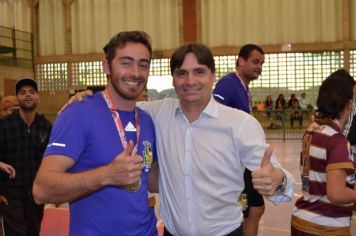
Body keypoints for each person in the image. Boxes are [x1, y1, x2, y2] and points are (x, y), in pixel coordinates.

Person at [66, 42, 295, 236]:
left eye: (199, 71)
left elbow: (282, 183)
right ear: (173, 79)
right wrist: (87, 98)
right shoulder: (155, 113)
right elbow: (115, 103)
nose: (190, 81)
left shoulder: (240, 124)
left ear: (212, 75)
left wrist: (277, 179)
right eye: (181, 73)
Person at [33, 31, 158, 236]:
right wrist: (107, 175)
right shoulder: (79, 112)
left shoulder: (146, 119)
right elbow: (41, 190)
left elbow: (150, 178)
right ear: (106, 66)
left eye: (143, 64)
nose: (136, 72)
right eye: (126, 63)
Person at [291, 69, 356, 236]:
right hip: (327, 225)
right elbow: (336, 194)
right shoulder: (337, 140)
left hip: (301, 218)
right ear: (349, 104)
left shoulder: (311, 130)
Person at [212, 44, 267, 236]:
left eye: (261, 63)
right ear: (241, 61)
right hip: (233, 163)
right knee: (248, 211)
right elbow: (213, 117)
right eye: (255, 61)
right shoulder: (228, 85)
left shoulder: (243, 87)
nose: (259, 66)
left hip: (244, 162)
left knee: (255, 209)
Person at [0, 78, 52, 236]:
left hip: (36, 193)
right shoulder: (4, 125)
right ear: (17, 98)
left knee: (33, 232)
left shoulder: (46, 126)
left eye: (32, 92)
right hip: (10, 193)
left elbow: (52, 159)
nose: (27, 95)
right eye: (22, 93)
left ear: (38, 97)